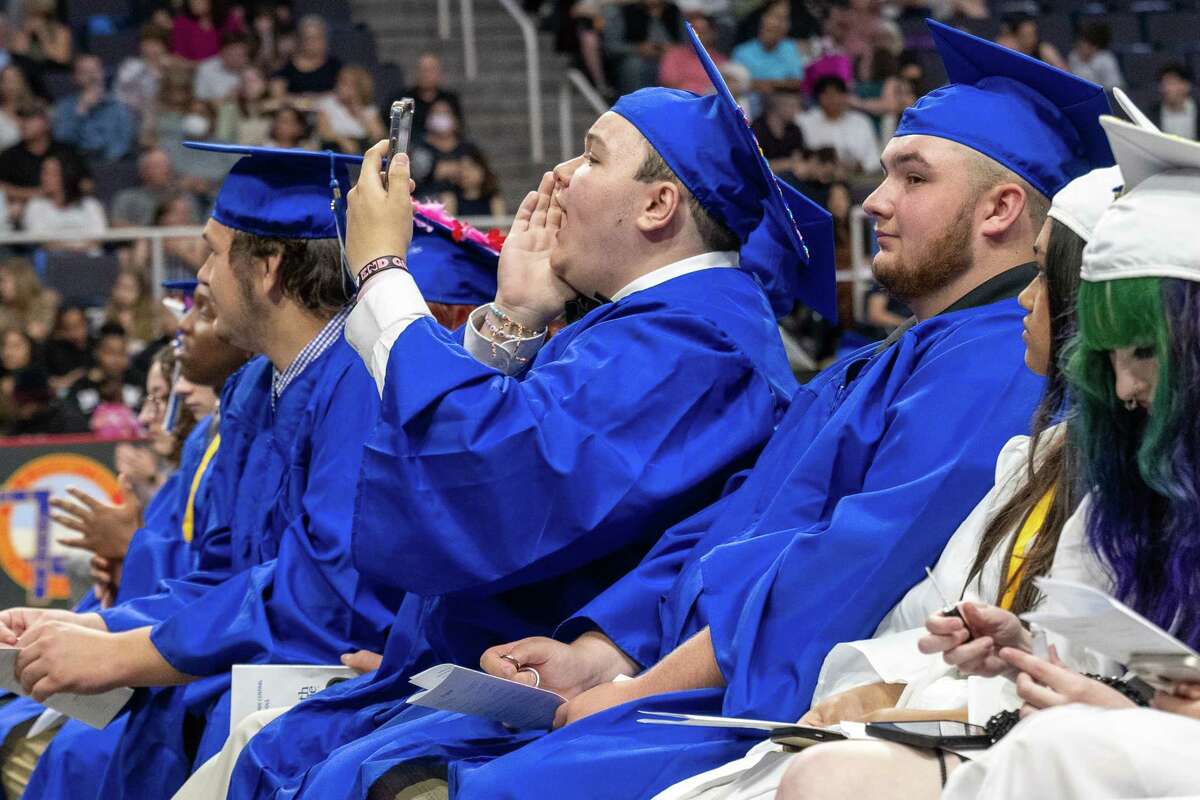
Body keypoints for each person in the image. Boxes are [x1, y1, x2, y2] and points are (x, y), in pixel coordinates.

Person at [270, 21, 1109, 800]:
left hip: (772, 697)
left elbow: (843, 567)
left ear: (1001, 210)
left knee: (443, 780)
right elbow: (728, 529)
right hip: (697, 672)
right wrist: (604, 650)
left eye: (913, 176)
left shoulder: (990, 360)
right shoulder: (890, 357)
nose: (872, 201)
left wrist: (636, 681)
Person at [197, 20, 834, 798]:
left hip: (545, 702)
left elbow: (494, 482)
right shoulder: (650, 325)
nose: (561, 175)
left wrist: (384, 273)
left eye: (592, 155)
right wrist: (514, 317)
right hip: (482, 673)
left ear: (659, 205)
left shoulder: (695, 343)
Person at [663, 159, 1123, 800]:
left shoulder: (995, 382)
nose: (1025, 295)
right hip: (929, 708)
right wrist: (872, 687)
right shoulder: (1037, 455)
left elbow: (1117, 680)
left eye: (1045, 276)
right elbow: (932, 605)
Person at [0, 143, 397, 800]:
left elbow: (323, 603)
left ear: (268, 266)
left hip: (337, 667)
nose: (201, 277)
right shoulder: (251, 392)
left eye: (215, 252)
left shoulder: (363, 378)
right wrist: (88, 627)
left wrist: (125, 653)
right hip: (248, 657)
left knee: (180, 728)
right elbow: (219, 574)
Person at [928, 116, 1200, 800]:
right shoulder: (1144, 480)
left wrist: (1125, 719)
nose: (1125, 389)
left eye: (1144, 351)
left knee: (1055, 750)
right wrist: (1025, 649)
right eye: (1106, 358)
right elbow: (1123, 664)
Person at [9, 279, 252, 800]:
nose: (155, 411)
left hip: (223, 658)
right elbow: (204, 577)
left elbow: (228, 580)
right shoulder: (205, 459)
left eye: (168, 394)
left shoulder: (227, 452)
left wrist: (132, 547)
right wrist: (86, 610)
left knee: (79, 751)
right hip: (190, 640)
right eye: (160, 396)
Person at [0, 102, 88, 218]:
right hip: (21, 211)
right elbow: (2, 187)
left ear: (46, 122)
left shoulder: (66, 151)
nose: (23, 123)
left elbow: (86, 184)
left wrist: (61, 194)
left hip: (66, 208)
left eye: (29, 118)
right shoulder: (9, 155)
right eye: (21, 118)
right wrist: (35, 194)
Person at [51, 54, 136, 164]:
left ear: (102, 73)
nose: (92, 76)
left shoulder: (118, 107)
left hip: (110, 165)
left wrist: (105, 161)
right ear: (75, 78)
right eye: (85, 72)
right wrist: (81, 110)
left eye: (95, 71)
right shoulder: (64, 107)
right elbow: (62, 141)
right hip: (75, 166)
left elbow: (124, 141)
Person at [797, 76, 881, 176]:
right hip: (814, 179)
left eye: (837, 94)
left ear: (845, 96)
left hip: (856, 179)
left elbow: (873, 161)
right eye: (826, 94)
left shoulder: (861, 121)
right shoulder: (804, 121)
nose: (832, 99)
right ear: (818, 97)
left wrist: (856, 167)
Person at [20, 155, 106, 252]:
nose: (44, 178)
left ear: (67, 175)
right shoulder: (35, 206)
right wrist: (71, 250)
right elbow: (41, 240)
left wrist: (79, 250)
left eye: (51, 174)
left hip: (90, 259)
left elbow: (99, 237)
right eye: (43, 173)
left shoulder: (90, 204)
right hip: (53, 260)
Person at [602, 0, 685, 94]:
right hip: (638, 57)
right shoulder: (624, 12)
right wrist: (638, 48)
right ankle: (636, 104)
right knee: (634, 66)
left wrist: (674, 50)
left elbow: (688, 42)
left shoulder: (675, 11)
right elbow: (612, 46)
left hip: (672, 57)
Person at [731, 1, 805, 95]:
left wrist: (766, 84)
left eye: (784, 19)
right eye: (775, 17)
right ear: (763, 19)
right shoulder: (741, 52)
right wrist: (779, 84)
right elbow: (737, 84)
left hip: (783, 99)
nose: (777, 24)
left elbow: (797, 82)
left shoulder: (791, 48)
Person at [392, 53, 462, 144]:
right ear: (416, 72)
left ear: (439, 73)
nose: (426, 74)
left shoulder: (450, 99)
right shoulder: (404, 99)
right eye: (423, 70)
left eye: (431, 70)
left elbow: (459, 128)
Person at [316, 65, 385, 155]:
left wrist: (359, 112)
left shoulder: (368, 109)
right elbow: (324, 132)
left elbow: (378, 135)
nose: (340, 87)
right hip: (334, 148)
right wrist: (342, 140)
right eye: (340, 82)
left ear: (359, 88)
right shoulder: (328, 103)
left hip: (363, 149)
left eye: (346, 84)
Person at [270, 15, 341, 98]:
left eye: (317, 38)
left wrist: (315, 98)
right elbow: (277, 93)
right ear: (300, 40)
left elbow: (345, 92)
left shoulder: (335, 66)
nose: (312, 43)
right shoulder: (286, 67)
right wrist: (299, 99)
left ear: (325, 40)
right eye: (308, 38)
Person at [658, 12, 727, 95]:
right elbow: (668, 82)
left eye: (703, 31)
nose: (697, 35)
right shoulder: (673, 54)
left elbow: (723, 89)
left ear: (713, 34)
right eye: (694, 31)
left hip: (710, 102)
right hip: (680, 100)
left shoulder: (721, 60)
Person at [115, 23, 171, 119]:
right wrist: (150, 69)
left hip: (165, 118)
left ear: (164, 46)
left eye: (156, 44)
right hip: (133, 117)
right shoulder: (130, 66)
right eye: (147, 44)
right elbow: (120, 96)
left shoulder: (170, 67)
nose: (151, 49)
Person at [171, 0, 246, 63]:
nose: (194, 2)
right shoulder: (181, 23)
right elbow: (179, 57)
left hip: (229, 72)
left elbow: (240, 51)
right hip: (194, 75)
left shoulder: (230, 20)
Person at [439, 150, 505, 218]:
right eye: (461, 169)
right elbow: (447, 226)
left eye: (469, 168)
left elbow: (501, 226)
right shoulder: (450, 198)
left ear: (482, 170)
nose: (464, 174)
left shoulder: (494, 199)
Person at [194, 31, 253, 102]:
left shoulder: (251, 69)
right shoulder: (206, 69)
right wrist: (226, 98)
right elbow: (199, 100)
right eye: (233, 55)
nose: (237, 60)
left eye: (241, 55)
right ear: (222, 53)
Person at [1067, 21, 1124, 89]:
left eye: (1083, 43)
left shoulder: (1106, 60)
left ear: (1094, 46)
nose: (1079, 45)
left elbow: (1114, 87)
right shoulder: (1073, 56)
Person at [1151, 63, 1198, 142]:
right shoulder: (1152, 113)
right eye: (1163, 84)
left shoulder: (1197, 110)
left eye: (1171, 83)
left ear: (1186, 85)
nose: (1166, 89)